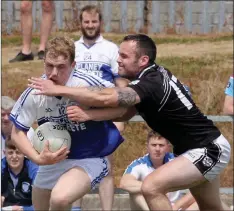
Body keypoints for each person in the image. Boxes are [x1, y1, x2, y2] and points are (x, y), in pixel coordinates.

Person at [29, 34, 231, 211]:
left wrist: (59, 90)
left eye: (124, 56)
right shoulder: (147, 80)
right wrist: (90, 116)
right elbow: (125, 113)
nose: (118, 60)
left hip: (207, 149)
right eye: (119, 54)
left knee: (151, 187)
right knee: (211, 208)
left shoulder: (151, 83)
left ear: (143, 60)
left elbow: (107, 98)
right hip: (197, 149)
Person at [10, 36, 124, 211]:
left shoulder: (87, 83)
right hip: (53, 162)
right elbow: (17, 132)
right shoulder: (35, 92)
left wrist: (90, 114)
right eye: (49, 65)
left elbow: (124, 108)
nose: (54, 73)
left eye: (61, 67)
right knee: (41, 206)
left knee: (60, 198)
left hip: (91, 157)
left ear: (73, 65)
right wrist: (37, 158)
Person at [74, 5, 128, 210]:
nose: (90, 26)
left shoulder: (111, 49)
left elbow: (121, 83)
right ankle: (76, 208)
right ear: (80, 23)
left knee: (106, 164)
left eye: (93, 21)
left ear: (100, 23)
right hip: (79, 112)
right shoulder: (73, 48)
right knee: (76, 163)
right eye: (86, 22)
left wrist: (121, 115)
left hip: (105, 113)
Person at [120, 130, 181, 210]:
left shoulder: (177, 161)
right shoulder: (139, 164)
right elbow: (124, 183)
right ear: (147, 147)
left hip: (175, 207)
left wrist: (178, 206)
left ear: (167, 147)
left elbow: (199, 178)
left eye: (161, 145)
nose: (157, 149)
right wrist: (156, 189)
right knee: (135, 192)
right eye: (154, 145)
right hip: (149, 207)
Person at [1, 136, 38, 211]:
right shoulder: (1, 168)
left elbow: (43, 204)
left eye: (18, 152)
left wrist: (23, 209)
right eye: (10, 152)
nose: (14, 156)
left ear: (24, 153)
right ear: (4, 153)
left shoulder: (34, 169)